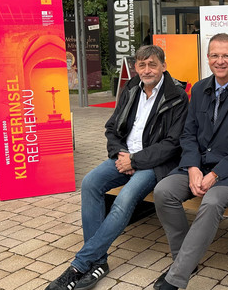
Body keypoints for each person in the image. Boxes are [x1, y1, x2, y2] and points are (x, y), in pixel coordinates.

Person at [46, 45, 189, 290]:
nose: (147, 70)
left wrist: (135, 161)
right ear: (135, 67)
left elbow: (172, 144)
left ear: (164, 66)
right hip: (123, 156)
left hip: (153, 164)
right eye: (141, 65)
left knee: (125, 198)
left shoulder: (176, 95)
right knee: (90, 182)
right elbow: (112, 128)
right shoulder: (131, 87)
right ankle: (98, 261)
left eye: (152, 64)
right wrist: (120, 154)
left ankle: (79, 265)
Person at [152, 33, 228, 290]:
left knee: (212, 201)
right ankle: (185, 260)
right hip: (197, 165)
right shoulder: (199, 88)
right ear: (207, 58)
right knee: (162, 192)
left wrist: (215, 174)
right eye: (215, 55)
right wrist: (193, 167)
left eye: (226, 55)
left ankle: (176, 278)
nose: (220, 61)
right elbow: (188, 133)